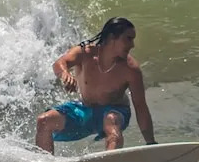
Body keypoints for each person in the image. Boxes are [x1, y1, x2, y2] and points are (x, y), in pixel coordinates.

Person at [35, 17, 157, 154]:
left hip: (116, 111)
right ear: (112, 37)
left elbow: (141, 107)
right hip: (85, 110)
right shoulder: (84, 53)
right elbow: (59, 63)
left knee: (111, 120)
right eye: (128, 39)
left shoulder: (130, 69)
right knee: (44, 121)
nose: (132, 45)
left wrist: (150, 142)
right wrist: (65, 74)